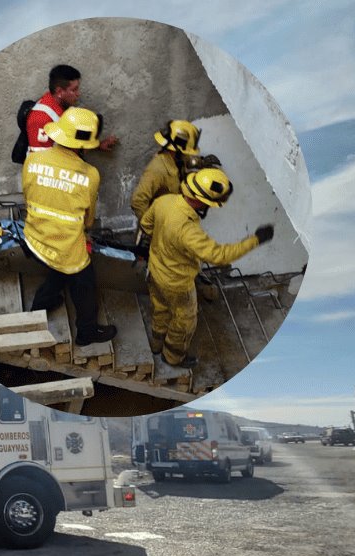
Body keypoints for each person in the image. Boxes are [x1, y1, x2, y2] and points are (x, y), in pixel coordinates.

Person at [140, 168, 275, 368]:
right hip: (177, 283)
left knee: (160, 308)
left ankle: (156, 343)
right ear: (200, 201)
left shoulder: (164, 201)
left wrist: (165, 246)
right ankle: (172, 357)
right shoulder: (188, 231)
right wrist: (255, 240)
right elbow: (219, 256)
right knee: (184, 321)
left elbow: (146, 224)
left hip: (155, 271)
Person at [22, 106, 117, 346]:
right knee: (83, 279)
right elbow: (89, 220)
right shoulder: (90, 174)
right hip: (66, 245)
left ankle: (38, 309)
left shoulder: (32, 159)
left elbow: (29, 194)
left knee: (58, 269)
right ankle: (87, 332)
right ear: (84, 144)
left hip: (34, 238)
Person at [26, 64, 119, 156]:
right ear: (59, 92)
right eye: (74, 90)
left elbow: (71, 140)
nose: (78, 94)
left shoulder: (59, 104)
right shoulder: (41, 119)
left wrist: (97, 145)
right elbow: (41, 163)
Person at [0, 218, 137, 263]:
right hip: (52, 247)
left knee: (94, 243)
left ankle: (133, 253)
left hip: (51, 234)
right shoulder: (2, 244)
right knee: (95, 250)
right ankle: (133, 258)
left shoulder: (3, 228)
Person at [130, 120, 202, 220]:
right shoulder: (157, 169)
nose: (188, 154)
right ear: (178, 148)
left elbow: (188, 160)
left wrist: (202, 162)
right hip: (161, 224)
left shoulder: (177, 158)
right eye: (186, 151)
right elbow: (138, 201)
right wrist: (152, 227)